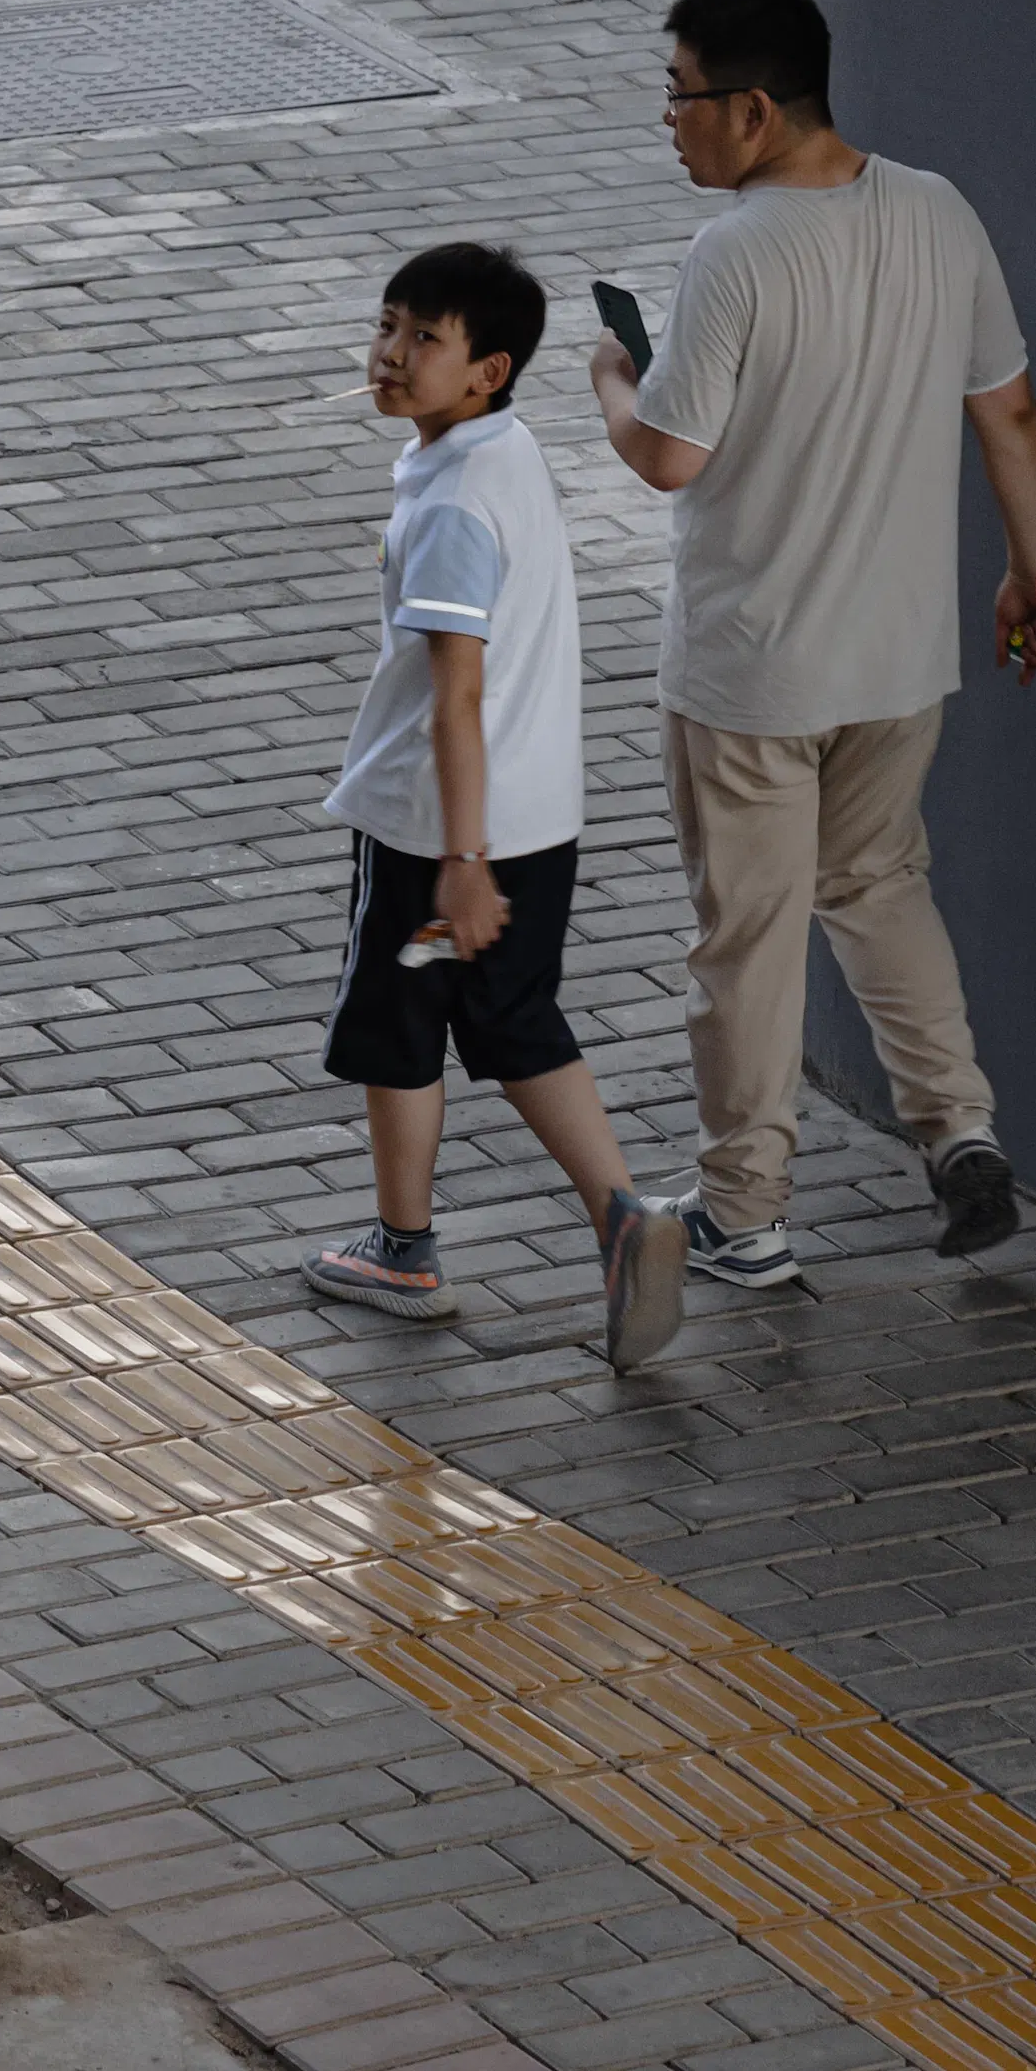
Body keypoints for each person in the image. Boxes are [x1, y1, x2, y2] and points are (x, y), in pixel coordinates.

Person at [589, 0, 1036, 1284]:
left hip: (753, 670)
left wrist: (614, 385)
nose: (673, 121)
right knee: (878, 884)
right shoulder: (937, 209)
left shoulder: (736, 252)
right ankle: (959, 1128)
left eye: (679, 97)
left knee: (747, 933)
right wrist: (1032, 571)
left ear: (751, 110)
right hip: (900, 656)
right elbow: (1009, 410)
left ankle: (744, 1214)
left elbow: (673, 461)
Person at [303, 239, 688, 1376]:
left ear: (489, 368)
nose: (390, 355)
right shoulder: (502, 450)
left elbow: (455, 694)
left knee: (398, 1025)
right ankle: (620, 1213)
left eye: (425, 340)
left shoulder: (451, 509)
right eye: (389, 326)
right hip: (540, 815)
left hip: (440, 828)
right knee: (519, 1022)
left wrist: (459, 860)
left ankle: (403, 1250)